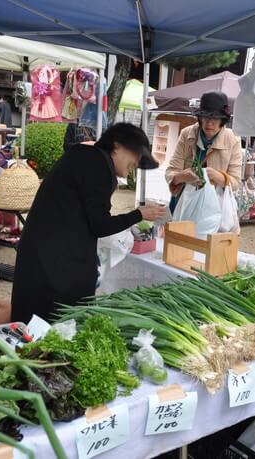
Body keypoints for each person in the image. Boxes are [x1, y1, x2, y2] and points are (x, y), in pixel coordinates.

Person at [11, 123, 165, 323]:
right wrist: (138, 214)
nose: (136, 162)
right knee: (55, 326)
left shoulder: (85, 157)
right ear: (117, 146)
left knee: (32, 324)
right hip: (55, 262)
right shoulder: (99, 166)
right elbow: (100, 225)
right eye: (135, 154)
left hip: (42, 253)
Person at [165, 91, 242, 212]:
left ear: (222, 120)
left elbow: (235, 183)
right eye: (205, 117)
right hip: (182, 203)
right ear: (200, 117)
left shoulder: (233, 140)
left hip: (213, 209)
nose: (209, 123)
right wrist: (182, 176)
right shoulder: (187, 134)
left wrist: (216, 176)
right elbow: (170, 172)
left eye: (215, 118)